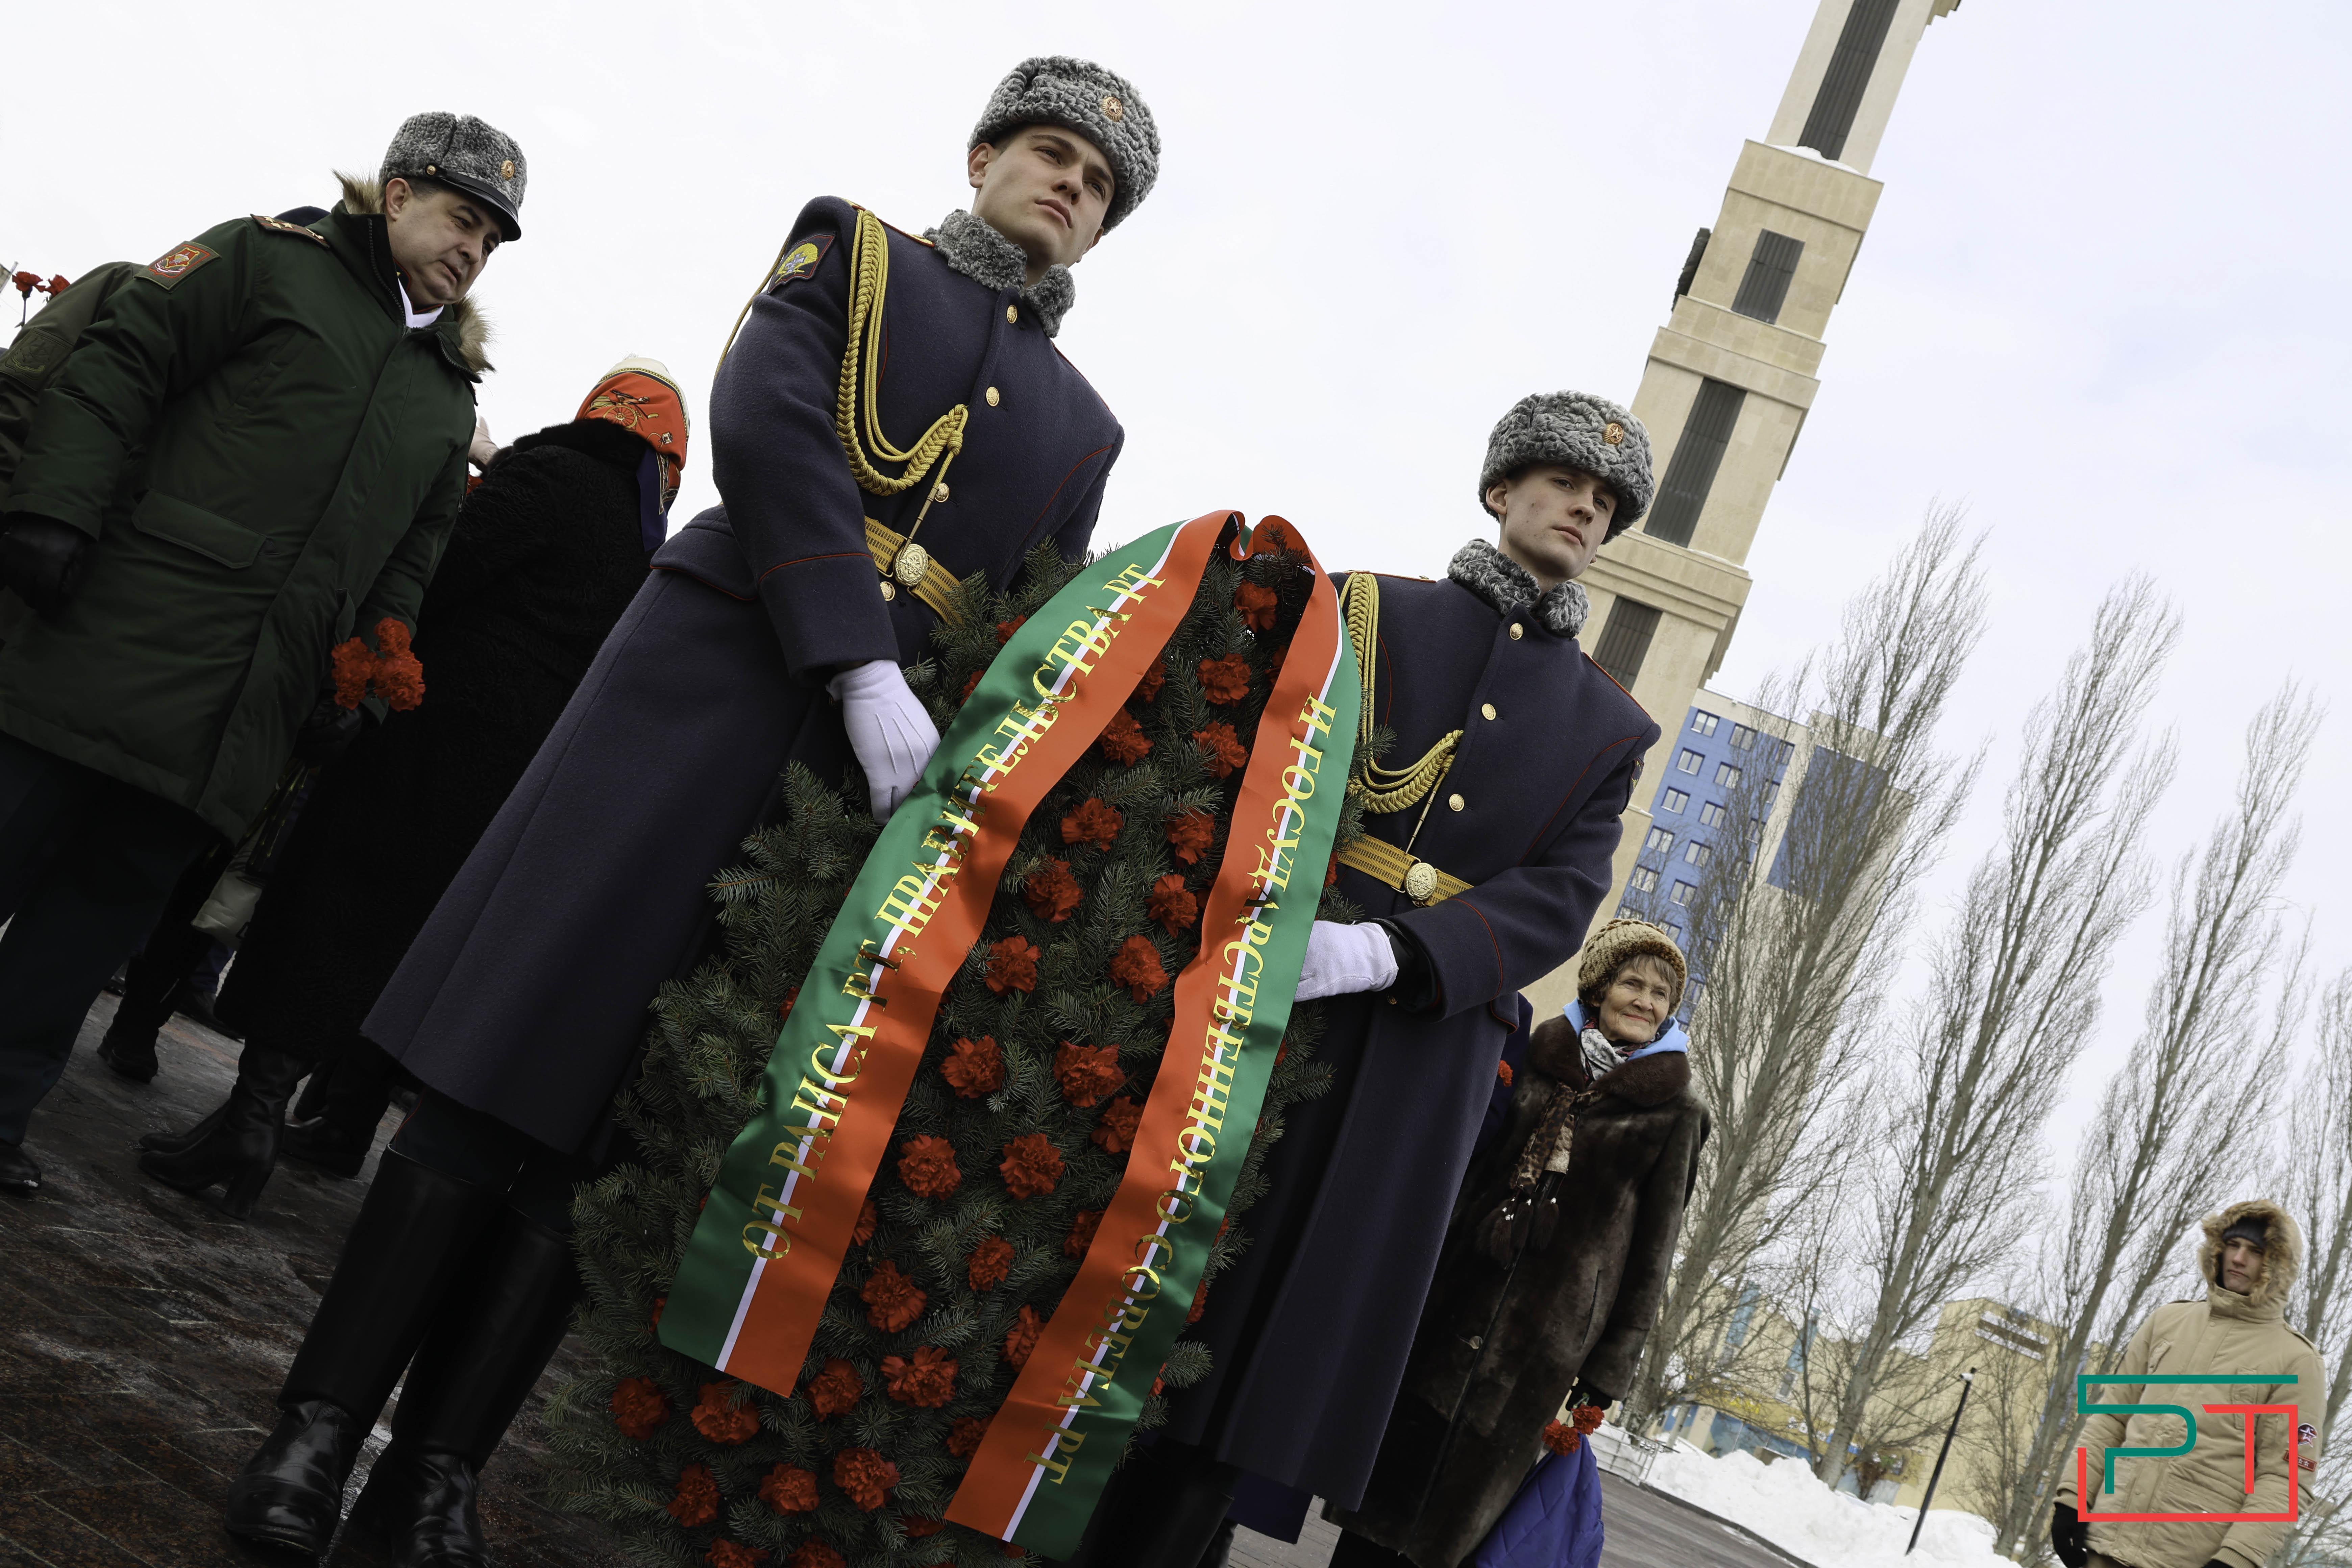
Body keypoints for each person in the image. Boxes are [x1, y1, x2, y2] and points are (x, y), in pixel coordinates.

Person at [221, 59, 1158, 1565]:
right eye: (1049, 154)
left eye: (1098, 185)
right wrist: (853, 654)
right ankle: (313, 1429)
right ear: (982, 154)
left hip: (844, 785)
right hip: (704, 683)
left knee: (626, 1119)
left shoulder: (1082, 423)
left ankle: (437, 1465)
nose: (1069, 187)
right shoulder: (849, 251)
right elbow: (772, 421)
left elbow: (1025, 610)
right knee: (499, 1064)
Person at [1069, 392, 1666, 1567]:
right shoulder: (1367, 611)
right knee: (1182, 1284)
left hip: (1424, 1048)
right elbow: (1264, 761)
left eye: (1607, 504)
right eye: (1562, 483)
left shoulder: (1611, 724)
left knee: (1284, 1352)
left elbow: (1561, 895)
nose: (1586, 508)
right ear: (1502, 492)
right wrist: (1297, 927)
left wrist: (1404, 952)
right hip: (1285, 987)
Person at [0, 112, 522, 1196]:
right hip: (105, 641)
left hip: (235, 720)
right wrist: (53, 505)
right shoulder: (265, 261)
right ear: (395, 196)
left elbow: (409, 564)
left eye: (493, 238)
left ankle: (1, 1110)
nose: (473, 249)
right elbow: (123, 359)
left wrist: (367, 680)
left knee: (88, 927)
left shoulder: (443, 394)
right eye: (462, 218)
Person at [133, 362, 681, 1215]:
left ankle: (246, 1125)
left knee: (328, 909)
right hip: (509, 774)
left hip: (427, 734)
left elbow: (440, 569)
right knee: (389, 942)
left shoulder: (549, 473)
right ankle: (314, 1120)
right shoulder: (643, 540)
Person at [1329, 918, 1709, 1567]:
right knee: (1379, 1505)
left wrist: (1606, 1374)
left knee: (1457, 1530)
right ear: (1598, 990)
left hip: (1545, 1347)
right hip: (1453, 1305)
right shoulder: (1537, 1062)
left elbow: (1653, 1255)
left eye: (1661, 994)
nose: (1646, 1002)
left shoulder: (1676, 1114)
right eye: (1632, 984)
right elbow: (1471, 1175)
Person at [2050, 1201, 2324, 1568]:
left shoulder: (2297, 1361)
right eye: (2233, 1244)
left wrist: (2237, 1558)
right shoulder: (2167, 1321)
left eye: (2255, 1251)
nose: (2239, 1258)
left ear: (2276, 1264)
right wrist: (2073, 1496)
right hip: (2106, 1542)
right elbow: (2110, 1417)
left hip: (2188, 1559)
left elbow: (2285, 1478)